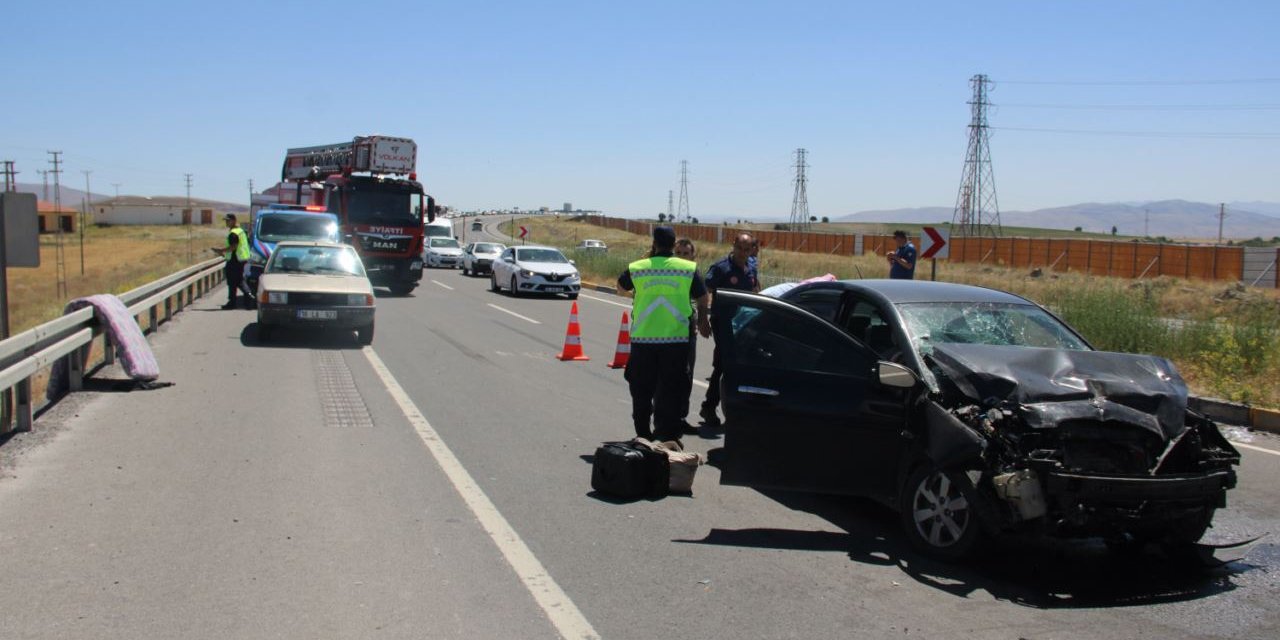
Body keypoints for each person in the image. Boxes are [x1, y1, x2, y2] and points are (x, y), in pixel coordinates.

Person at [617, 226, 711, 443]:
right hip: (675, 341)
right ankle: (664, 435)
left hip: (643, 340)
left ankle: (642, 434)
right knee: (670, 390)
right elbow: (703, 297)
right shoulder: (687, 268)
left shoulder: (638, 267)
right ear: (673, 243)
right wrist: (704, 320)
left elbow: (621, 288)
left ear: (654, 243)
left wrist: (640, 294)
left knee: (641, 390)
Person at [699, 233, 759, 428]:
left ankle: (732, 409)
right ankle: (709, 407)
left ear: (752, 250)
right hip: (723, 321)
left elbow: (755, 291)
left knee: (732, 365)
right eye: (740, 248)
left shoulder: (751, 268)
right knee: (726, 365)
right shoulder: (721, 268)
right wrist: (704, 319)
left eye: (747, 249)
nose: (742, 253)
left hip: (744, 323)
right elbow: (705, 290)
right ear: (733, 245)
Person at [674, 237, 700, 433]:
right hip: (669, 329)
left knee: (686, 374)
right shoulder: (670, 272)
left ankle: (681, 416)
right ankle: (663, 416)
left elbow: (702, 298)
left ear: (693, 256)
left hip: (689, 328)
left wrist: (701, 321)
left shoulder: (694, 274)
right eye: (679, 253)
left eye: (686, 253)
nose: (682, 257)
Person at [212, 213, 255, 309]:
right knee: (238, 280)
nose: (226, 222)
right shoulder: (240, 231)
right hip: (241, 259)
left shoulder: (234, 233)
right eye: (226, 220)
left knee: (232, 281)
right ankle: (248, 296)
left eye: (228, 220)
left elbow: (233, 247)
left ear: (234, 221)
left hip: (234, 260)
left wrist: (221, 250)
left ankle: (233, 302)